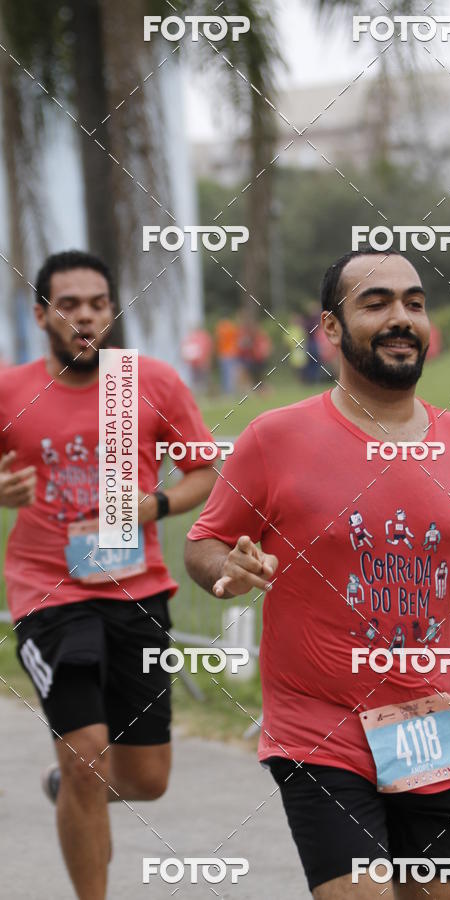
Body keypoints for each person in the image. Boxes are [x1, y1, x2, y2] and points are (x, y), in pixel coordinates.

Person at [184, 248, 450, 898]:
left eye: (414, 303)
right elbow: (204, 544)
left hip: (427, 722)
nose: (401, 317)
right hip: (319, 728)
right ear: (330, 329)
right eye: (376, 302)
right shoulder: (274, 438)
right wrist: (231, 569)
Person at [0, 250, 218, 900]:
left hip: (138, 592)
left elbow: (204, 472)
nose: (85, 316)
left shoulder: (152, 382)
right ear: (42, 315)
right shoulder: (11, 390)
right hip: (49, 594)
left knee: (147, 777)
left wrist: (155, 504)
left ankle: (68, 784)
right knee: (86, 756)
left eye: (97, 303)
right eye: (69, 305)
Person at [215, 315, 240, 394]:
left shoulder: (220, 328)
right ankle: (229, 391)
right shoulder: (231, 327)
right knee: (229, 374)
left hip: (225, 354)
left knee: (226, 375)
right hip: (230, 353)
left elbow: (218, 340)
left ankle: (228, 392)